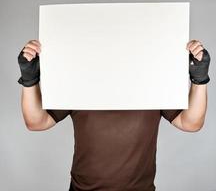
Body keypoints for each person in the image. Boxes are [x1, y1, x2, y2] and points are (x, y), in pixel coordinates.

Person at [17, 39, 211, 191]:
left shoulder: (152, 86)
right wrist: (30, 80)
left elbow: (191, 123)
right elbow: (36, 122)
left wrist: (199, 79)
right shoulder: (80, 84)